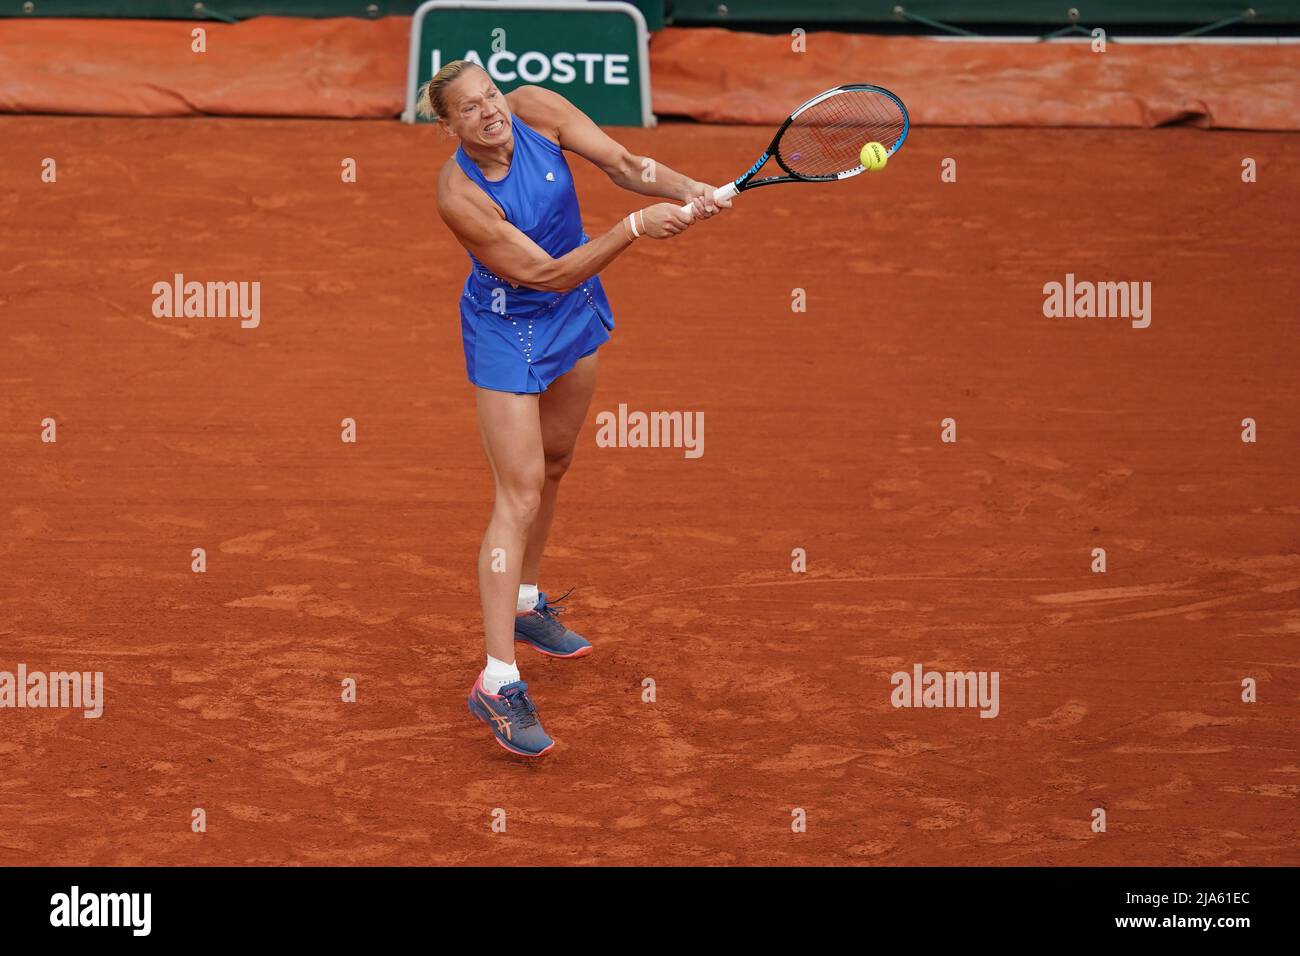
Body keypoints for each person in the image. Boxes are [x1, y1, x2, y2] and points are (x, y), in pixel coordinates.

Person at [423, 61, 728, 756]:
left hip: (576, 312)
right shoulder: (459, 194)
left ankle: (527, 605)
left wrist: (689, 189)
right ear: (446, 126)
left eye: (490, 96)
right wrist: (634, 228)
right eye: (468, 109)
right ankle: (497, 682)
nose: (489, 112)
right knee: (518, 492)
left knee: (557, 461)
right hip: (511, 330)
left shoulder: (537, 108)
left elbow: (623, 162)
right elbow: (543, 272)